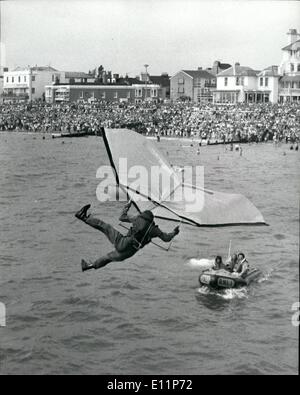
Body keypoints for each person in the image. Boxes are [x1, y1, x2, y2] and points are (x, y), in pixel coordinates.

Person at [75, 202, 180, 272]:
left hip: (123, 243)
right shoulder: (154, 230)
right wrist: (174, 232)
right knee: (108, 258)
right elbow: (167, 238)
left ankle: (83, 216)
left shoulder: (138, 219)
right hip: (130, 252)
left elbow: (122, 217)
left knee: (105, 227)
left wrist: (127, 206)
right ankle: (89, 266)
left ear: (144, 216)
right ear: (152, 220)